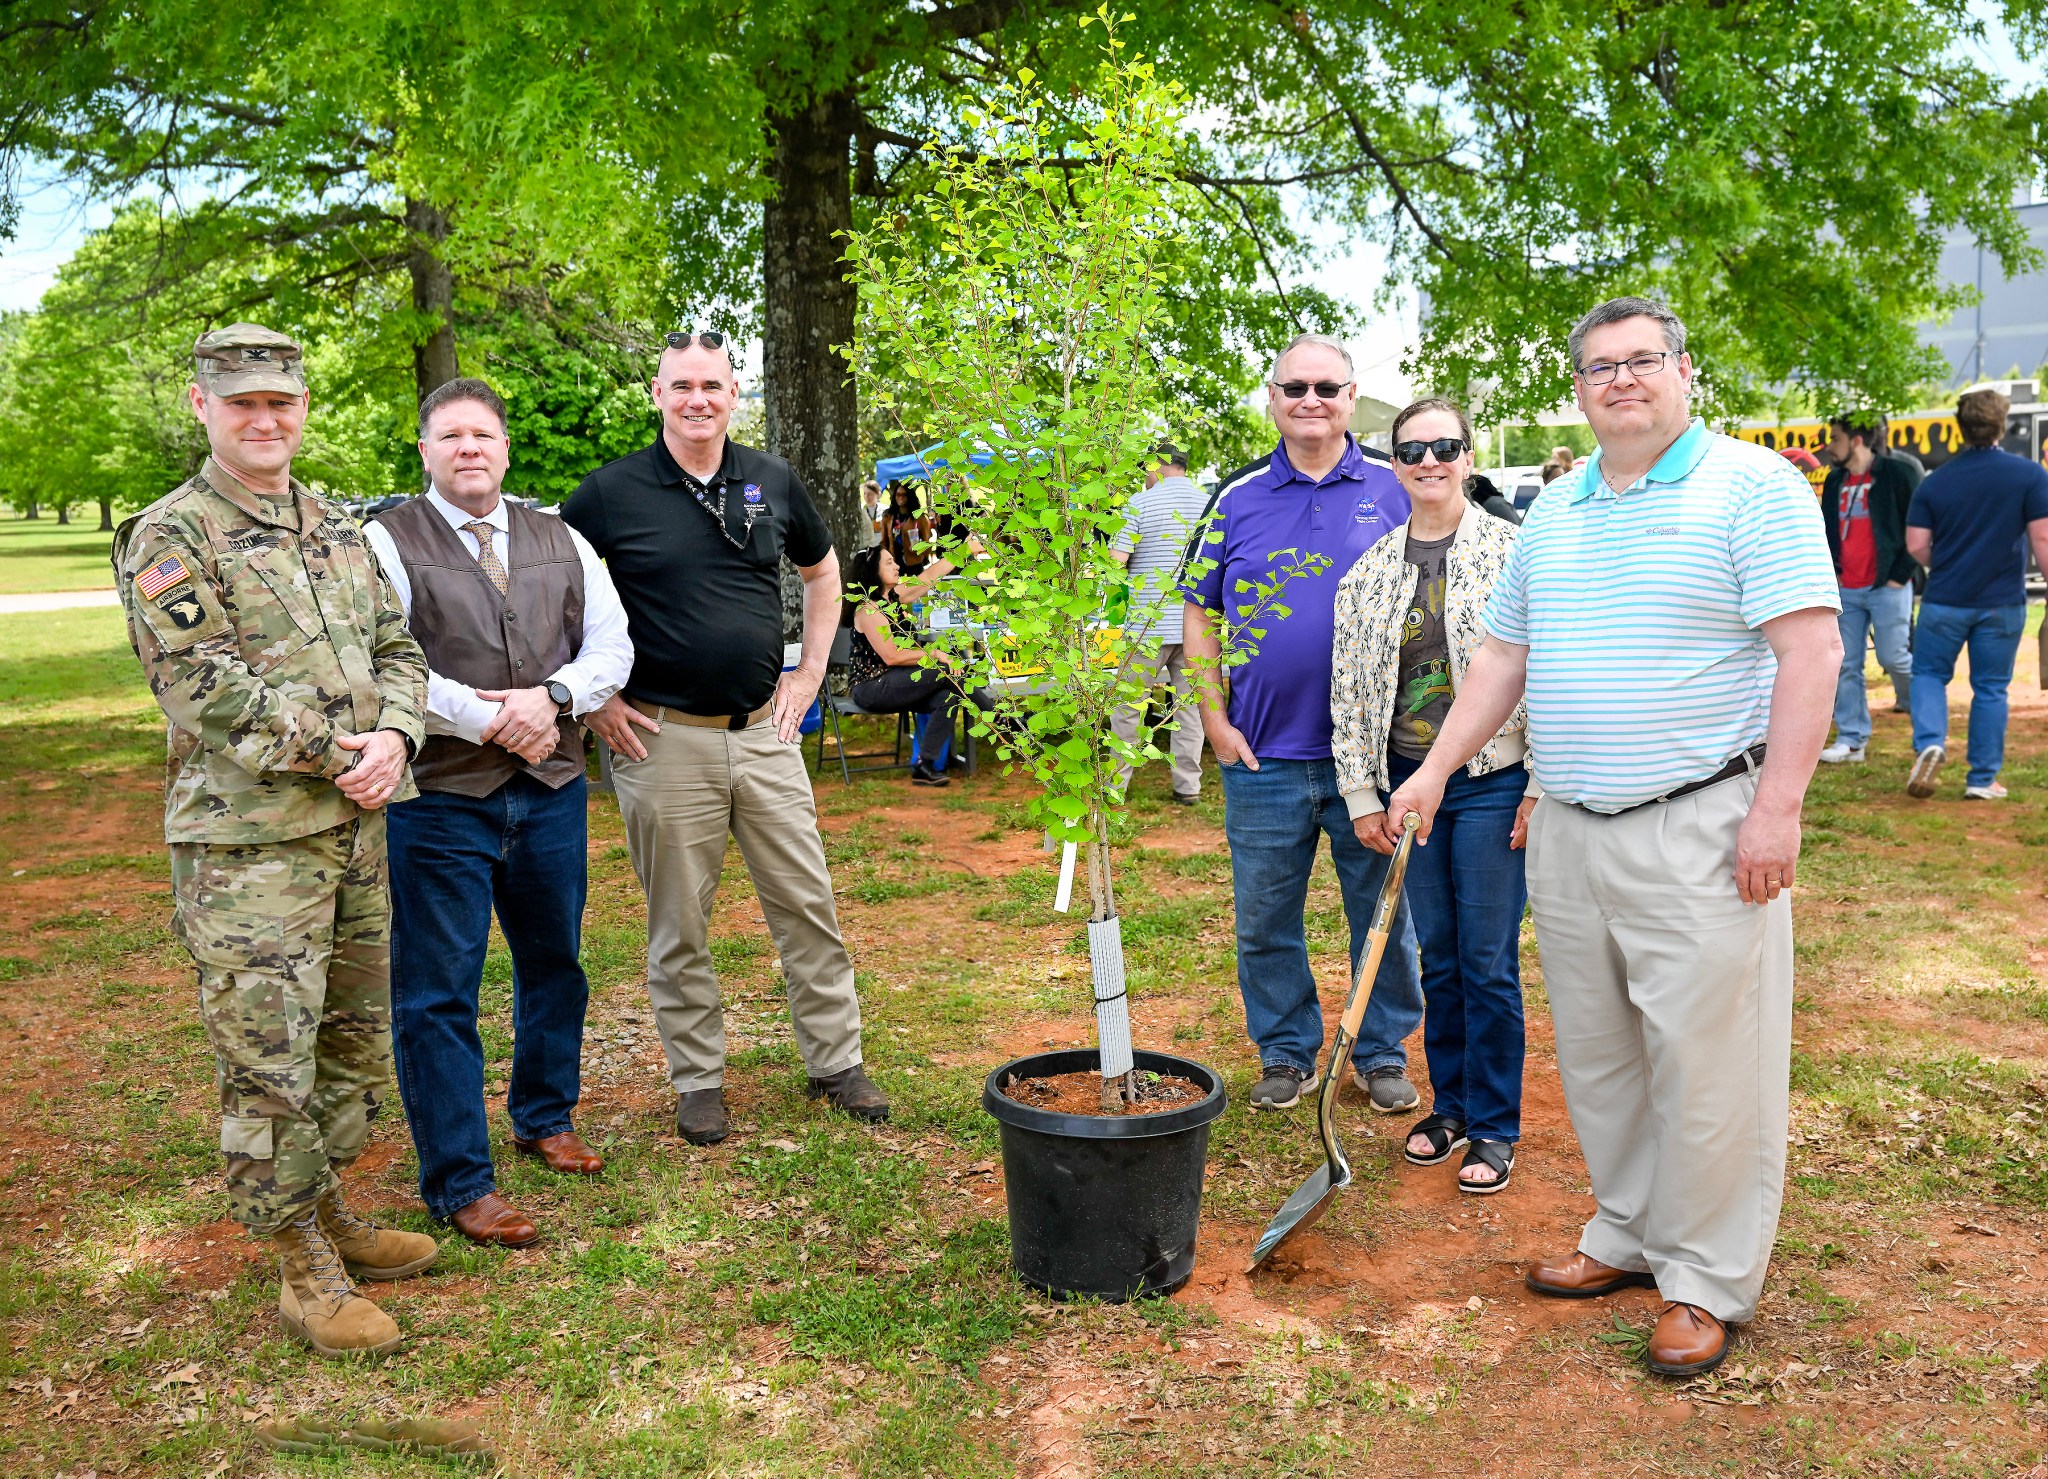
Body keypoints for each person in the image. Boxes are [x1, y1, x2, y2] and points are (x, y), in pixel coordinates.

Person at [1384, 295, 1841, 1378]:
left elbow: (1811, 654)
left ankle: (1703, 1280)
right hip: (1568, 829)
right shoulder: (1555, 508)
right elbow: (1501, 660)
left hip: (1700, 824)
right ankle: (1628, 1234)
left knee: (1707, 1064)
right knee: (1599, 1059)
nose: (1619, 380)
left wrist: (1774, 809)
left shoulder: (1753, 487)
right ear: (1578, 389)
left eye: (1640, 361)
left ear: (1684, 371)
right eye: (1597, 368)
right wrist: (1436, 768)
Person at [113, 324, 435, 1358]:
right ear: (203, 406)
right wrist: (341, 750)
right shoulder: (172, 534)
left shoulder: (337, 524)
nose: (265, 420)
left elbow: (399, 645)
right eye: (242, 402)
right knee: (266, 1062)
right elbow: (201, 684)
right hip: (248, 852)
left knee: (347, 1039)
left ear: (301, 410)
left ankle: (332, 1211)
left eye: (280, 403)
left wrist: (396, 734)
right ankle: (300, 1266)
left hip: (352, 831)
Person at [562, 331, 887, 1146]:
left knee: (808, 905)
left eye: (712, 384)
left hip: (766, 732)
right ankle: (699, 1078)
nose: (697, 399)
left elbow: (822, 574)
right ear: (657, 393)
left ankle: (836, 1062)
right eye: (682, 386)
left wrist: (811, 673)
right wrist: (591, 698)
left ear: (734, 394)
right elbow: (551, 595)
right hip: (661, 740)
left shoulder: (770, 479)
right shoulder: (608, 494)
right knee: (680, 922)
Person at [364, 378, 635, 1249]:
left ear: (506, 447)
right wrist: (491, 718)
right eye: (450, 436)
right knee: (438, 990)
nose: (468, 448)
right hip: (443, 797)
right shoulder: (386, 539)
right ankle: (459, 1180)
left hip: (551, 791)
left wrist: (552, 697)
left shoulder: (561, 536)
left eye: (483, 434)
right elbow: (386, 659)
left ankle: (544, 1114)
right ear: (426, 451)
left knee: (555, 962)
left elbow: (612, 642)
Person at [1181, 333, 1424, 1114]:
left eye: (1327, 387)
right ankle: (1285, 1050)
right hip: (1263, 757)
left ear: (1353, 397)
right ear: (1273, 400)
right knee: (1265, 920)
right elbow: (1198, 611)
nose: (1311, 401)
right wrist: (1214, 720)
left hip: (1376, 759)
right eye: (1295, 388)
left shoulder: (1398, 488)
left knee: (1385, 917)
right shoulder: (1236, 498)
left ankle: (1380, 1050)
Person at [1332, 398, 1537, 1192]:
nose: (1429, 460)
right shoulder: (1371, 569)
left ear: (1469, 455)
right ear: (1395, 464)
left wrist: (1541, 781)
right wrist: (1360, 791)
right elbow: (1346, 690)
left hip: (1493, 783)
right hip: (1410, 786)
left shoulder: (1514, 551)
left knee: (1488, 963)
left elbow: (1544, 667)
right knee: (1440, 957)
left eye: (1444, 446)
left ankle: (1495, 1125)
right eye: (1413, 449)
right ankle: (1448, 1107)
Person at [1903, 388, 2048, 800]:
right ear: (2002, 425)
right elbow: (2043, 539)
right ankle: (1982, 779)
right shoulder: (2030, 476)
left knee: (1929, 674)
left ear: (1960, 427)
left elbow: (1916, 546)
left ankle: (1930, 741)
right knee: (1990, 688)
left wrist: (1948, 561)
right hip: (2002, 603)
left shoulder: (1937, 483)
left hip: (1945, 599)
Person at [842, 543, 998, 787]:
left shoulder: (893, 597)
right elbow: (892, 656)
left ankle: (924, 765)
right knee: (947, 671)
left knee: (948, 696)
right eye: (889, 563)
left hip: (897, 680)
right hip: (872, 686)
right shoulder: (868, 609)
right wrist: (935, 653)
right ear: (873, 571)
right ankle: (998, 719)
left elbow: (928, 577)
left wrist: (966, 548)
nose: (897, 566)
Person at [1108, 441, 1211, 804]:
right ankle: (1188, 788)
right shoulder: (1208, 504)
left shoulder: (1139, 503)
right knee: (1191, 709)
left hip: (1147, 627)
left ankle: (1114, 787)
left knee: (1128, 709)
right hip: (1197, 625)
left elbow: (1117, 560)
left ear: (1156, 465)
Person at [1817, 417, 1920, 764]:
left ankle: (1927, 723)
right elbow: (1827, 531)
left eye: (1835, 439)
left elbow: (1919, 527)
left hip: (1887, 586)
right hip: (1847, 588)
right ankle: (1851, 739)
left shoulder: (1897, 474)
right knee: (1846, 664)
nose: (1830, 447)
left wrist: (1899, 575)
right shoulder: (1835, 481)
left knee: (1894, 658)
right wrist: (1833, 573)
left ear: (1856, 440)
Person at [878, 481, 933, 576]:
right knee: (897, 590)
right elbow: (884, 542)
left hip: (915, 562)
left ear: (910, 496)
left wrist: (918, 549)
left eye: (904, 495)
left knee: (916, 589)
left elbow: (927, 543)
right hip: (895, 562)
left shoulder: (919, 517)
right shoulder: (888, 517)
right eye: (898, 495)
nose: (901, 498)